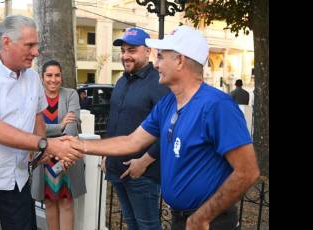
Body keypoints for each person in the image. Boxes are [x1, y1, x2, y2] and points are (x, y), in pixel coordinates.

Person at [62, 25, 260, 230]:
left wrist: (203, 216)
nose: (155, 65)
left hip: (211, 222)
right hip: (181, 219)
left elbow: (248, 171)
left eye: (161, 57)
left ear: (180, 61)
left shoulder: (217, 105)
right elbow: (132, 141)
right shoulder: (168, 104)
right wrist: (80, 145)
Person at [0, 15, 82, 230]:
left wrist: (41, 152)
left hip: (15, 176)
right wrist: (45, 144)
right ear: (7, 42)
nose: (36, 52)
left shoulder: (32, 78)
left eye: (36, 45)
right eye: (29, 45)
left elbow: (38, 115)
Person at [102, 27, 169, 230]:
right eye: (123, 51)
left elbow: (166, 128)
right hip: (117, 169)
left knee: (147, 226)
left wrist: (143, 162)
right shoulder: (121, 81)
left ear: (148, 51)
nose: (125, 56)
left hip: (142, 173)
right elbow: (114, 120)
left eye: (131, 50)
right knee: (131, 224)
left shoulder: (158, 82)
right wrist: (106, 153)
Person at [31, 60, 86, 230]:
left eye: (57, 75)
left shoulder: (70, 95)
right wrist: (59, 126)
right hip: (44, 157)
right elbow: (33, 128)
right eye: (49, 75)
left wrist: (59, 133)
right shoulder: (35, 98)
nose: (53, 79)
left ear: (61, 76)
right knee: (49, 203)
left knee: (66, 202)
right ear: (42, 77)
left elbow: (71, 126)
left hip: (65, 158)